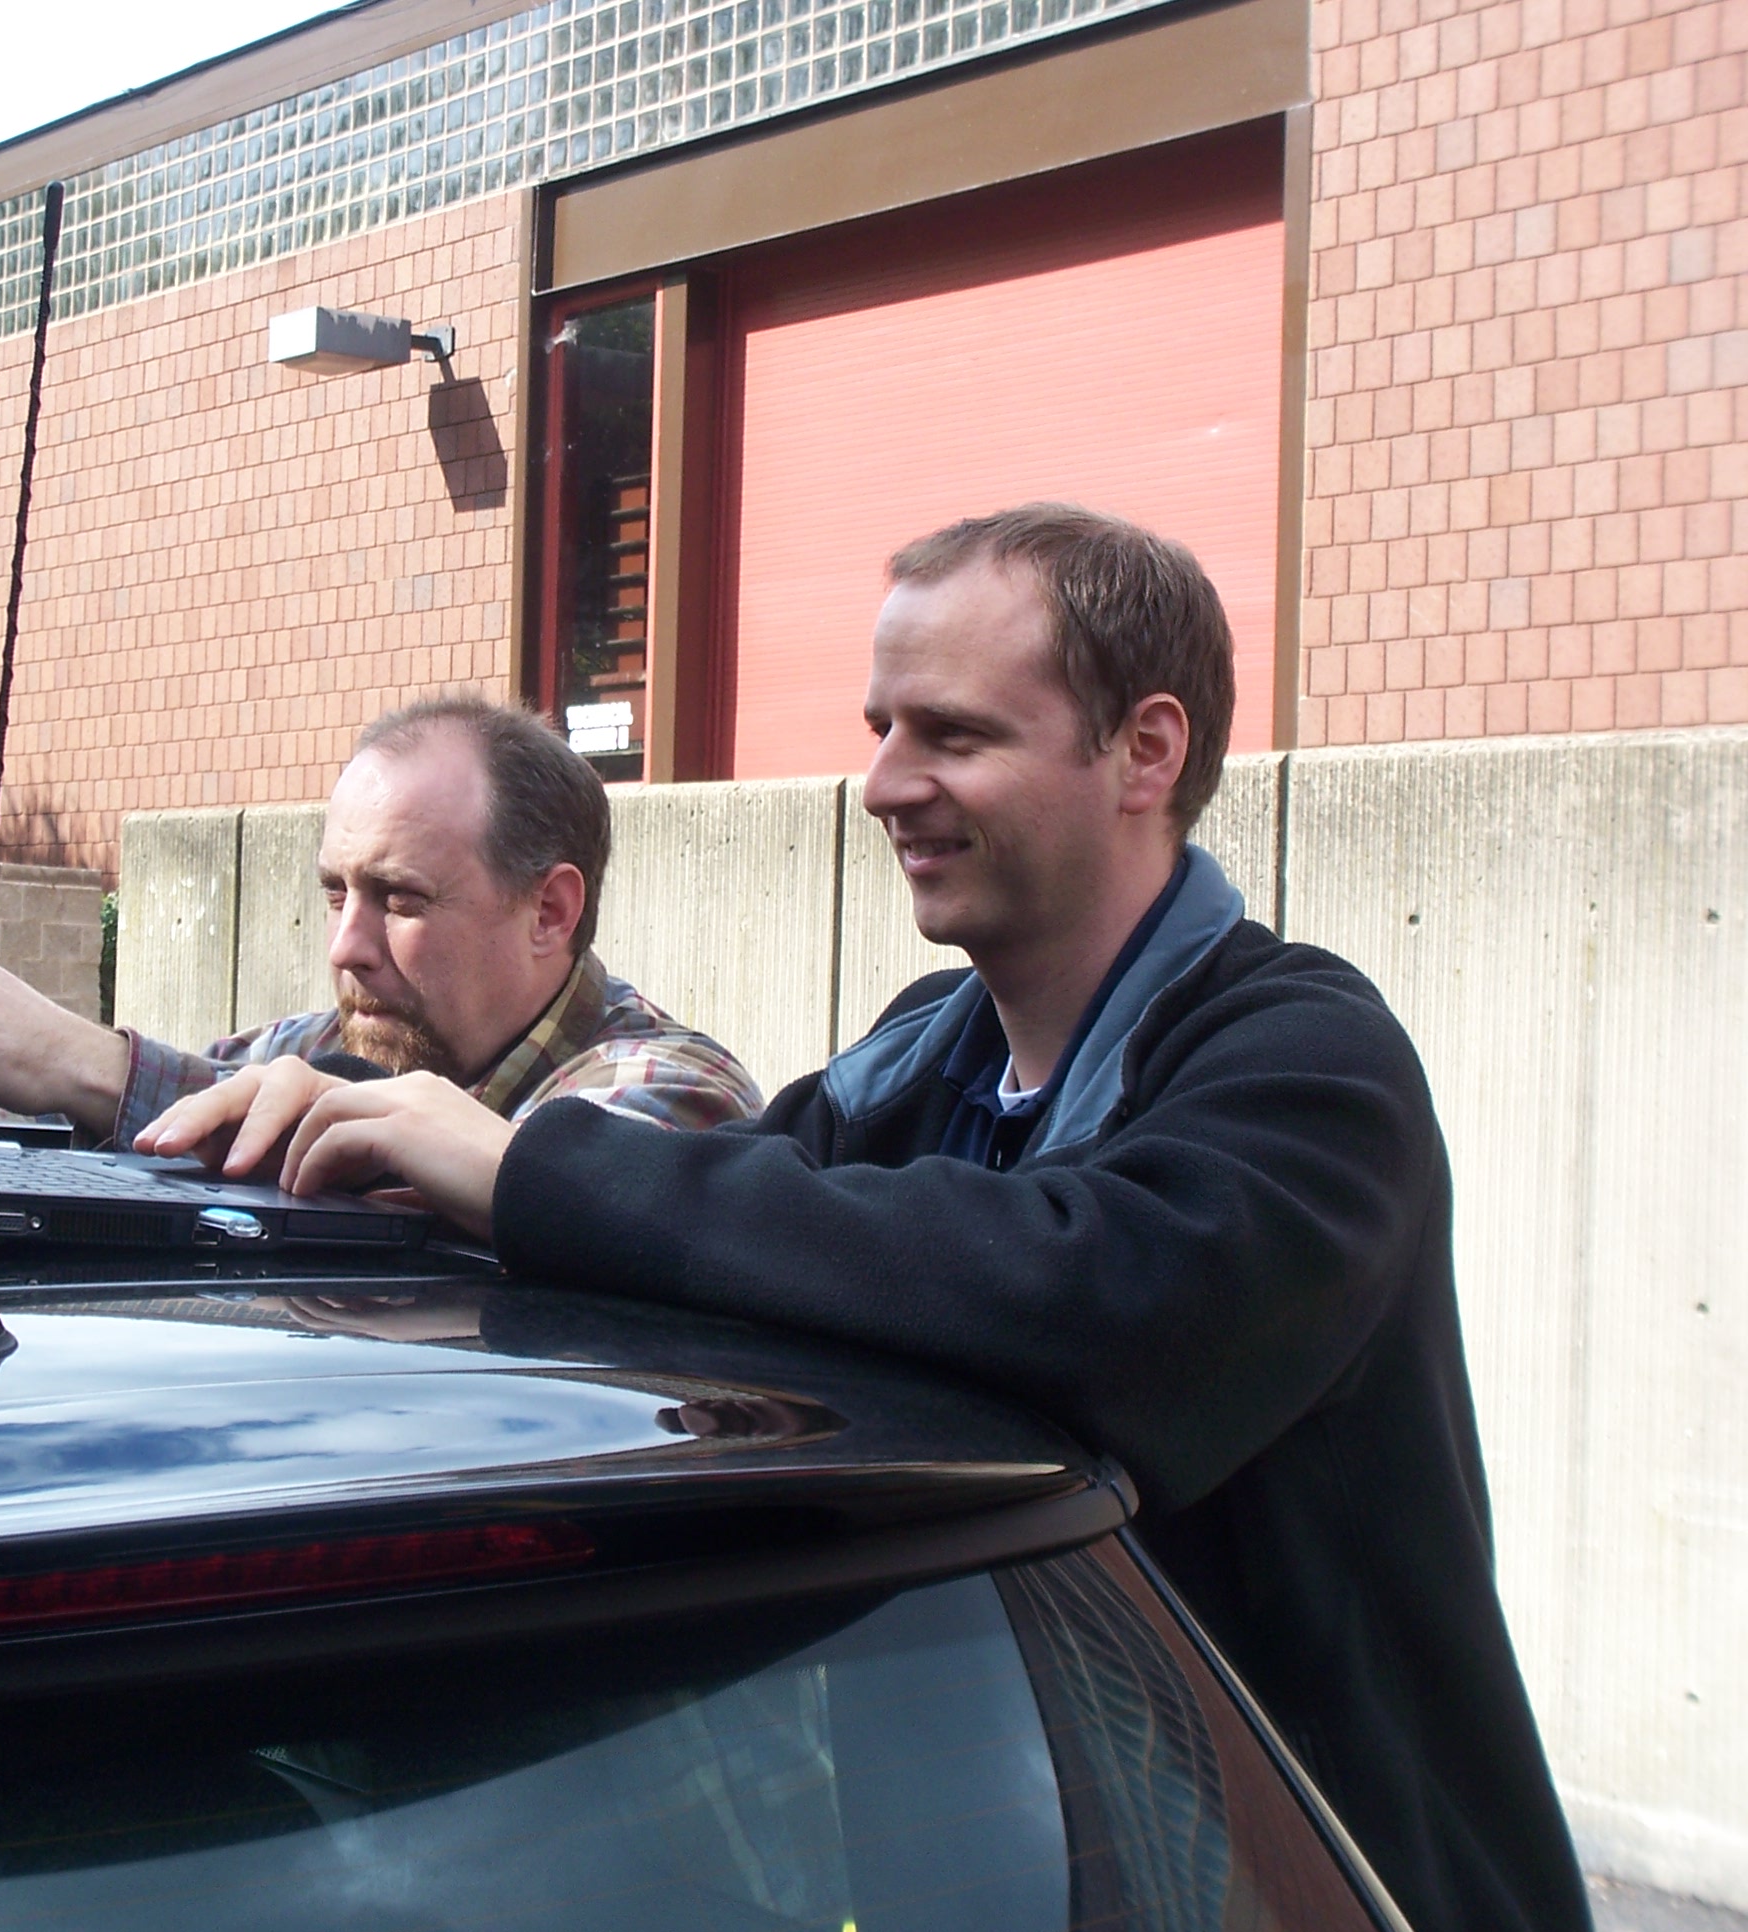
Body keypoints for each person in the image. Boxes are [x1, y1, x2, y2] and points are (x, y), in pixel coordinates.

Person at [136, 505, 1590, 1932]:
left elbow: (1105, 1303)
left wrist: (522, 1165)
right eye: (882, 728)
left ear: (1147, 751)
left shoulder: (1303, 1056)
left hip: (1317, 1879)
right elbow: (708, 1275)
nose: (884, 784)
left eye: (951, 735)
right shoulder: (917, 1061)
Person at [0, 694, 762, 1145]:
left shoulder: (671, 1093)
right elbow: (219, 1091)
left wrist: (94, 1067)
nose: (345, 947)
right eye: (336, 893)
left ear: (549, 911)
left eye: (399, 899)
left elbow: (563, 1191)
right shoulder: (332, 1043)